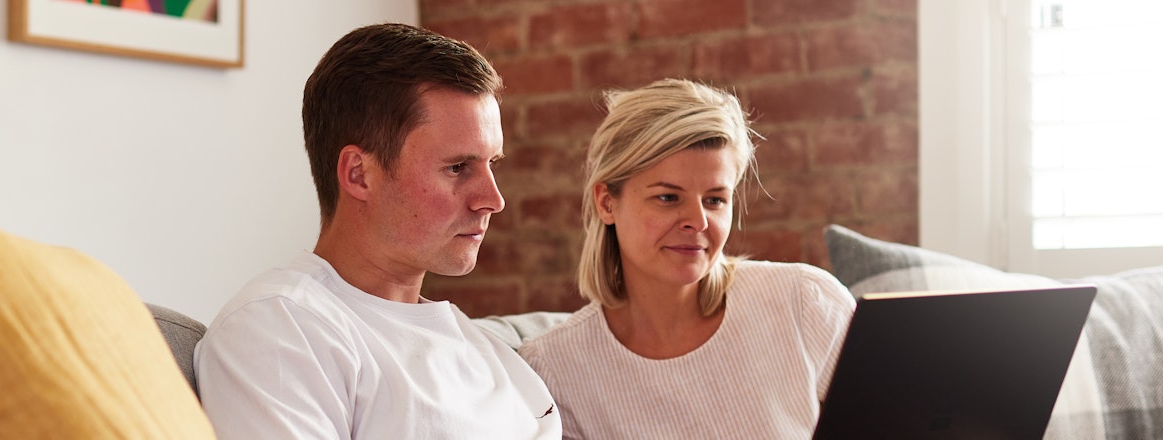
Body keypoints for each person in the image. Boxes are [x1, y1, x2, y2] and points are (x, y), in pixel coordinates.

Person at [193, 23, 560, 439]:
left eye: (492, 164)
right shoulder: (279, 329)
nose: (493, 199)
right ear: (358, 174)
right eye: (458, 167)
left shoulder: (490, 356)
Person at [517, 79, 857, 439]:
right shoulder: (553, 369)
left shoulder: (805, 303)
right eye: (668, 198)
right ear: (607, 202)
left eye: (715, 200)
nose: (698, 221)